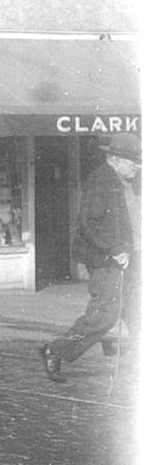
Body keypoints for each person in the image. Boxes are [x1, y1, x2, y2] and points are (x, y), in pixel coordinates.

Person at [40, 132, 141, 383]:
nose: (137, 167)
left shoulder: (128, 181)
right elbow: (88, 223)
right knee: (105, 315)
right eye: (132, 161)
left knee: (139, 311)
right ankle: (56, 349)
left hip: (133, 258)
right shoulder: (101, 180)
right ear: (115, 158)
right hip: (107, 260)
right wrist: (115, 248)